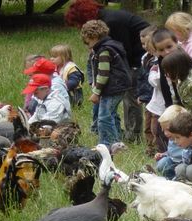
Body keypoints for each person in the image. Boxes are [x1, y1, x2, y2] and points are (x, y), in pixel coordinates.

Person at [65, 0, 150, 143]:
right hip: (129, 60)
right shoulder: (105, 22)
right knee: (117, 105)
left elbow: (124, 51)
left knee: (131, 99)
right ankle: (121, 134)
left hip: (138, 60)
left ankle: (134, 136)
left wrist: (119, 75)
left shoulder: (111, 22)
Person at [81, 19, 132, 147]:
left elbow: (103, 74)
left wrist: (96, 92)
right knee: (111, 113)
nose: (88, 46)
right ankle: (118, 138)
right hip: (120, 86)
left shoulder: (104, 50)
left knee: (104, 116)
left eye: (88, 42)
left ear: (94, 37)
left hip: (113, 87)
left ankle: (108, 143)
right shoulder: (111, 45)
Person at [137, 25, 158, 157]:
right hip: (147, 98)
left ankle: (157, 147)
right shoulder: (145, 58)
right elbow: (142, 78)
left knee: (155, 125)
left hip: (155, 98)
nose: (145, 46)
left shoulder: (158, 60)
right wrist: (140, 94)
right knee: (147, 124)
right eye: (143, 44)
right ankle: (150, 147)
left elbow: (152, 83)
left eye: (147, 43)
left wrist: (145, 95)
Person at [155, 105, 185, 180]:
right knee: (162, 164)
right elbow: (172, 151)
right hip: (174, 162)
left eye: (168, 130)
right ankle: (170, 179)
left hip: (185, 164)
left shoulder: (186, 139)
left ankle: (180, 180)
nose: (166, 133)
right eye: (163, 130)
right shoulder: (172, 139)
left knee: (181, 169)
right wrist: (164, 154)